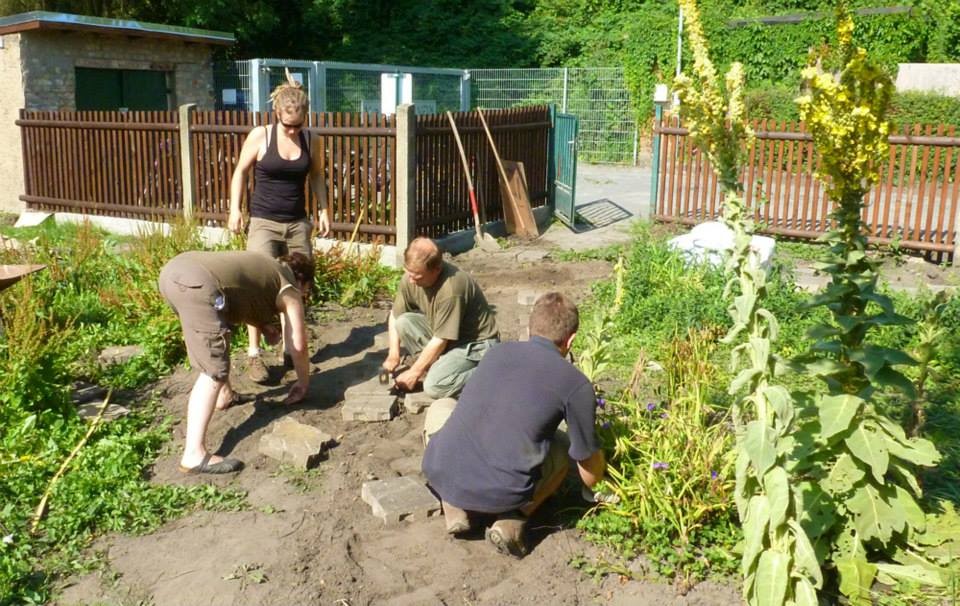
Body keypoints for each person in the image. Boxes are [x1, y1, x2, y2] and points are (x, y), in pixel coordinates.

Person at [421, 292, 606, 557]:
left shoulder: (497, 353)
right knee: (564, 445)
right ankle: (514, 518)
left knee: (441, 407)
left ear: (531, 328)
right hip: (502, 493)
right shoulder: (575, 384)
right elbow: (588, 468)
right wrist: (601, 477)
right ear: (571, 340)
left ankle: (453, 503)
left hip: (439, 469)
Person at [158, 250, 314, 474]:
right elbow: (298, 346)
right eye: (306, 293)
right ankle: (194, 454)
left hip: (174, 272)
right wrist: (303, 383)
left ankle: (225, 395)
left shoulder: (269, 266)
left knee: (218, 334)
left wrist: (262, 325)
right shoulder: (289, 287)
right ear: (302, 281)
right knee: (214, 369)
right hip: (199, 284)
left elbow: (240, 291)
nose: (304, 298)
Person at [228, 71, 330, 383]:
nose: (292, 131)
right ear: (277, 115)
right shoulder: (261, 136)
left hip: (297, 223)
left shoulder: (312, 140)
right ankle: (254, 354)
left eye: (298, 126)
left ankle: (291, 348)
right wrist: (235, 209)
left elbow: (316, 176)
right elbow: (241, 172)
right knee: (256, 286)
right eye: (287, 125)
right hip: (263, 222)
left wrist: (324, 209)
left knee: (298, 285)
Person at [382, 237, 498, 399]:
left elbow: (440, 339)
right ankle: (441, 366)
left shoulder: (451, 289)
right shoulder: (411, 277)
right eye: (408, 272)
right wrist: (393, 354)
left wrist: (414, 372)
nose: (411, 280)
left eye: (418, 276)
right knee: (404, 321)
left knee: (435, 386)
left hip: (475, 344)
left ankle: (496, 372)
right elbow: (395, 315)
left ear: (436, 269)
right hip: (446, 336)